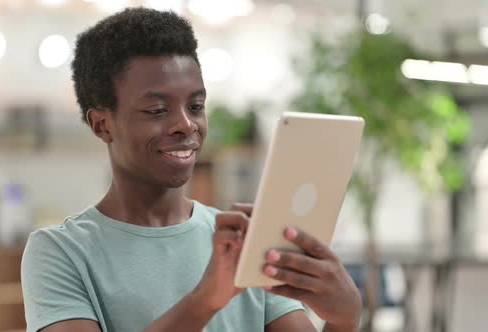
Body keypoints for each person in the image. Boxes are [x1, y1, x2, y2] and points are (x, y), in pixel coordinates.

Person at [21, 7, 362, 332]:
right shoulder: (60, 252)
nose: (186, 124)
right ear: (101, 125)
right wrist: (204, 301)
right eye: (156, 110)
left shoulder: (242, 244)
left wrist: (343, 321)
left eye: (196, 106)